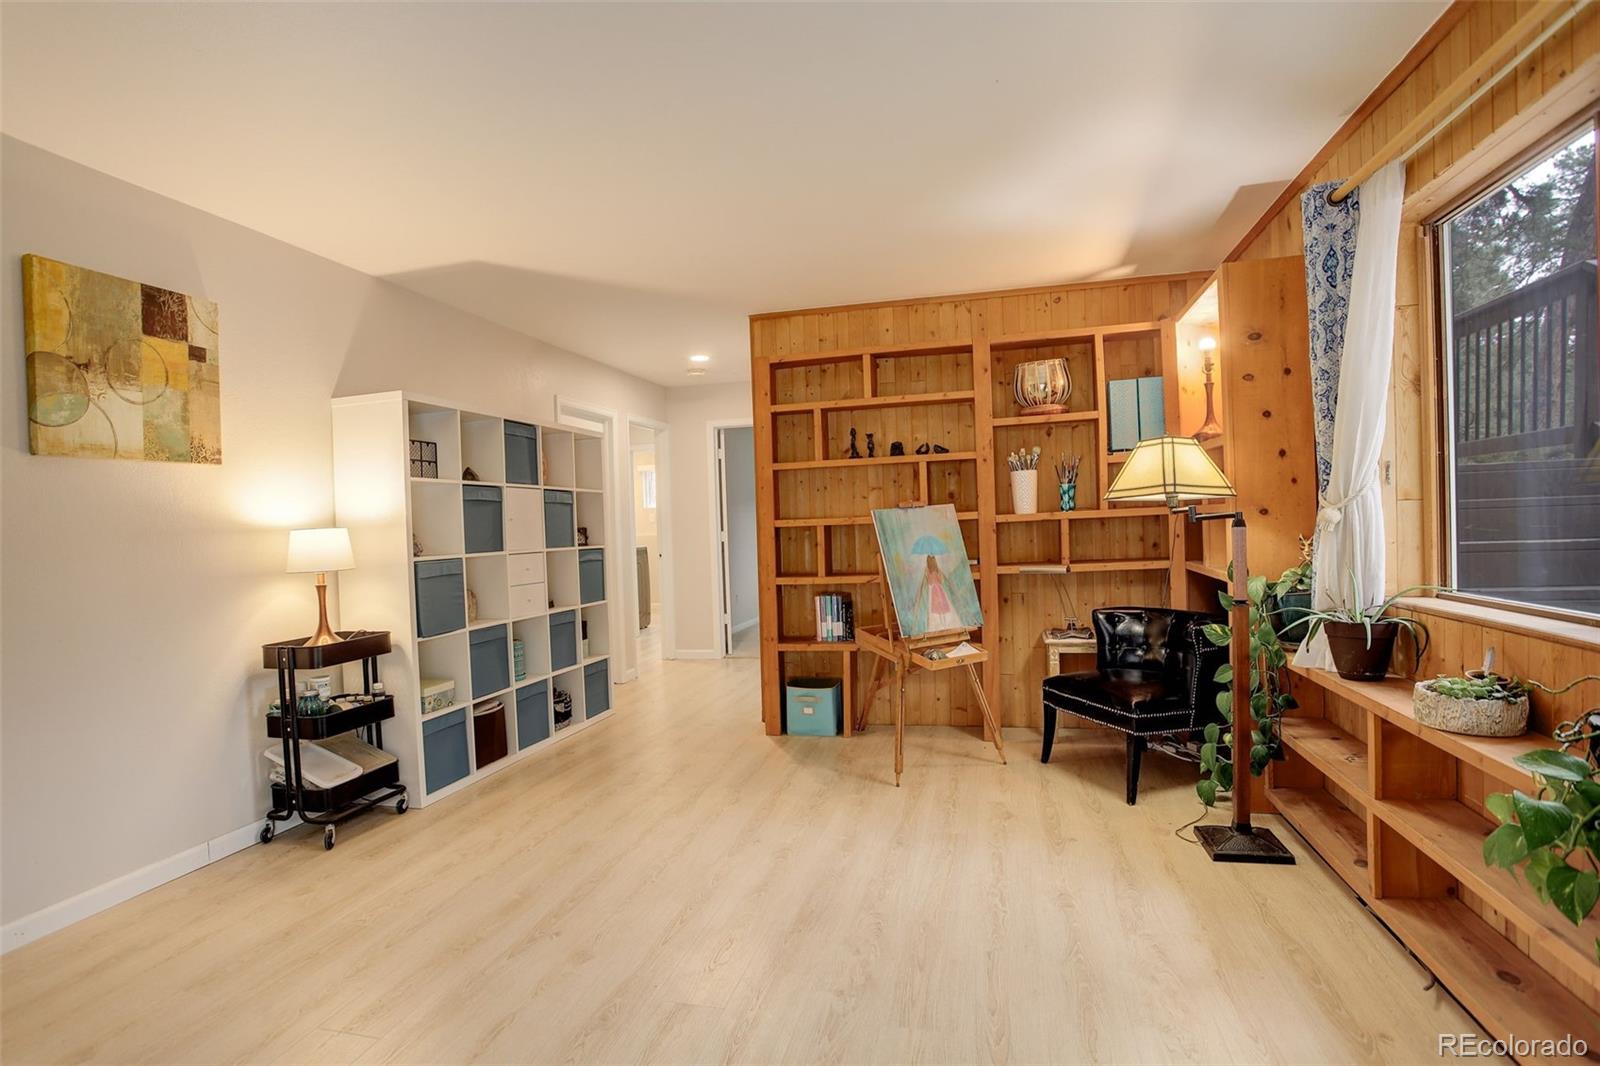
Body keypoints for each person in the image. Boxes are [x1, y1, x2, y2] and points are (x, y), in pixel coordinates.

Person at [914, 553, 963, 633]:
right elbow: (940, 580)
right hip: (939, 591)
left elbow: (926, 582)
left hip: (933, 591)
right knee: (943, 609)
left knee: (936, 610)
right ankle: (945, 624)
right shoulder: (937, 571)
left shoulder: (927, 571)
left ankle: (940, 626)